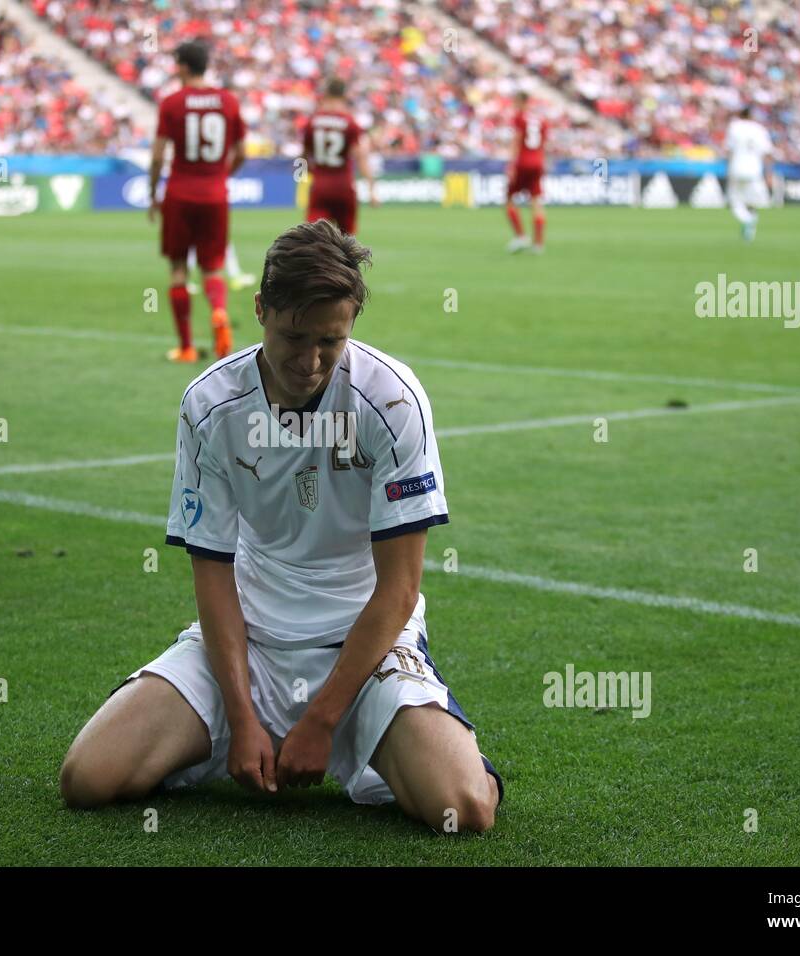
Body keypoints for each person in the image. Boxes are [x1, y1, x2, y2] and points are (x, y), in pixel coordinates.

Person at [60, 220, 503, 833]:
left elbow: (399, 590)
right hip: (252, 644)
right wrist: (242, 717)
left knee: (466, 808)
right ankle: (233, 736)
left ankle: (393, 738)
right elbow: (213, 574)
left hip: (366, 649)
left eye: (332, 340)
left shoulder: (394, 401)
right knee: (88, 779)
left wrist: (323, 720)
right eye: (294, 336)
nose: (311, 360)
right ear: (261, 308)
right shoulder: (210, 405)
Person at [149, 41, 245, 363]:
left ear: (185, 67)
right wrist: (221, 175)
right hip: (215, 195)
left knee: (178, 269)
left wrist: (152, 194)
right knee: (213, 267)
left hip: (179, 193)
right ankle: (218, 312)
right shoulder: (228, 101)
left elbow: (159, 154)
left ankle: (187, 346)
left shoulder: (172, 103)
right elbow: (243, 151)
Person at [302, 77, 377, 235]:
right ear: (344, 96)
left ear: (326, 94)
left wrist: (301, 178)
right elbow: (361, 157)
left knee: (312, 239)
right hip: (343, 184)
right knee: (347, 242)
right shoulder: (349, 122)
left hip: (320, 185)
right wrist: (372, 190)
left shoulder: (312, 121)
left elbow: (303, 156)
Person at [505, 91, 548, 254]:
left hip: (522, 162)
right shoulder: (541, 120)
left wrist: (511, 165)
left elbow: (516, 141)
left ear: (520, 102)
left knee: (509, 199)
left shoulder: (519, 118)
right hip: (538, 162)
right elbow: (543, 144)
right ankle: (538, 244)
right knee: (537, 202)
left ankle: (521, 236)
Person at [725, 105, 774, 241]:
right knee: (753, 202)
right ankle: (750, 223)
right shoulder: (760, 129)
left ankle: (747, 220)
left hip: (736, 168)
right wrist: (769, 174)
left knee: (734, 202)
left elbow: (729, 150)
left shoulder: (734, 127)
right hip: (754, 171)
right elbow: (767, 154)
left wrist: (727, 168)